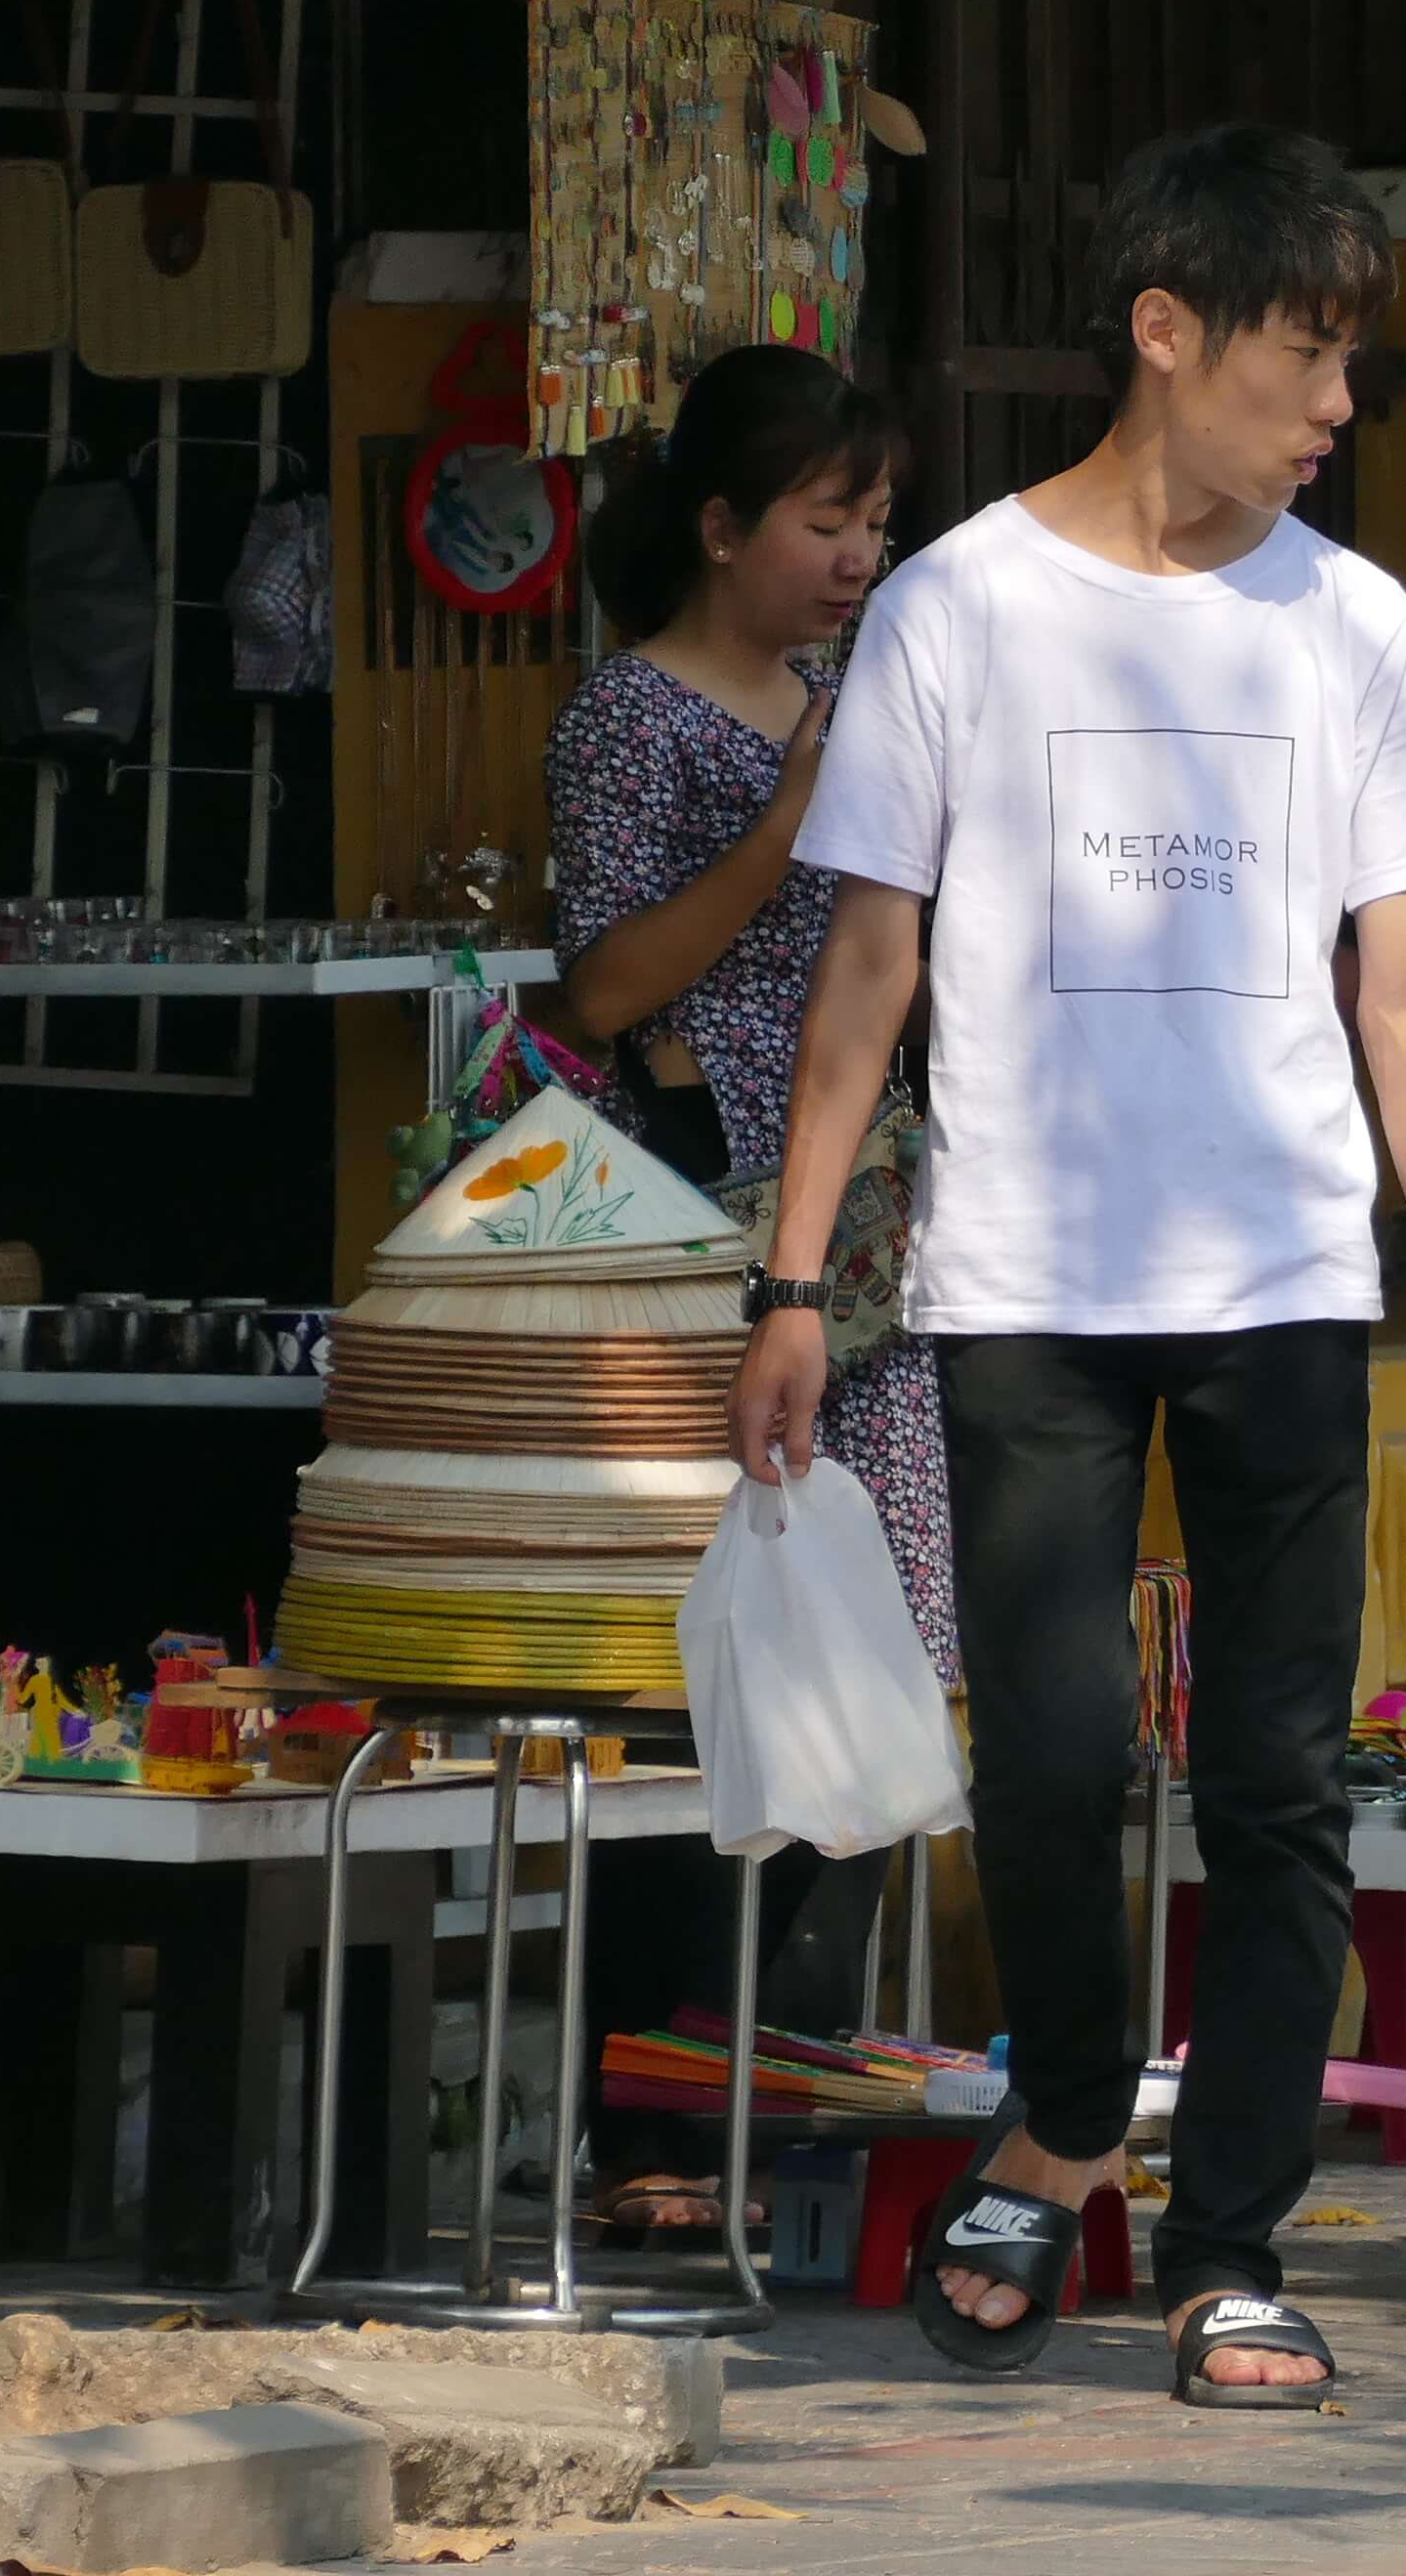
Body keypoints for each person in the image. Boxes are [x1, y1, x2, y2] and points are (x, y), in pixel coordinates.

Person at [734, 126, 1406, 2406]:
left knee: (1279, 1781)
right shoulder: (959, 604)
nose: (1337, 404)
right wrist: (795, 1286)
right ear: (1165, 331)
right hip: (1022, 1282)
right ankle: (1069, 2107)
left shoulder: (1358, 626)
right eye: (1304, 354)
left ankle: (1230, 2238)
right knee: (1055, 1762)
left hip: (1285, 1282)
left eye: (1351, 360)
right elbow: (868, 964)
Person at [545, 344, 938, 2238]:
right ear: (718, 527)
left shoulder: (862, 698)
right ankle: (652, 2129)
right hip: (709, 1236)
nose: (860, 558)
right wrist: (792, 820)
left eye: (879, 524)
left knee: (875, 1654)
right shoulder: (633, 717)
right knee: (702, 1685)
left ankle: (795, 2109)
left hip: (867, 1241)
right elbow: (607, 988)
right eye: (826, 521)